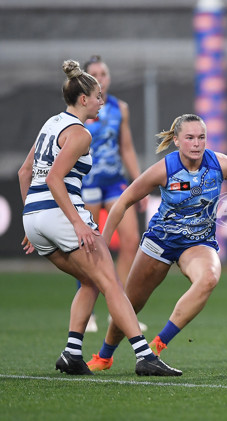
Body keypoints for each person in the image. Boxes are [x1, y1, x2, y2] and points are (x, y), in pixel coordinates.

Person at [18, 59, 181, 376]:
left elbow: (25, 172)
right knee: (111, 282)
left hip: (34, 219)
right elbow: (54, 179)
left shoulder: (51, 124)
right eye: (98, 96)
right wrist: (78, 223)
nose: (102, 102)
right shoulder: (80, 134)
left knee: (91, 280)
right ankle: (145, 356)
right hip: (59, 214)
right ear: (83, 99)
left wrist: (29, 215)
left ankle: (72, 354)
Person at [86, 113, 227, 374]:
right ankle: (105, 355)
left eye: (201, 137)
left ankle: (158, 345)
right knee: (131, 304)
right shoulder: (164, 169)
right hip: (160, 241)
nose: (197, 143)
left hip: (198, 243)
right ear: (176, 141)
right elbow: (124, 201)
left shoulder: (218, 163)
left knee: (209, 278)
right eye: (189, 138)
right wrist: (104, 239)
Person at [78, 55, 147, 333]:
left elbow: (127, 148)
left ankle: (118, 311)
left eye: (103, 73)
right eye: (93, 74)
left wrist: (139, 184)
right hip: (88, 182)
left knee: (131, 241)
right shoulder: (79, 108)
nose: (100, 79)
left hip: (116, 182)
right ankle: (88, 312)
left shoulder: (120, 108)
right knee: (90, 246)